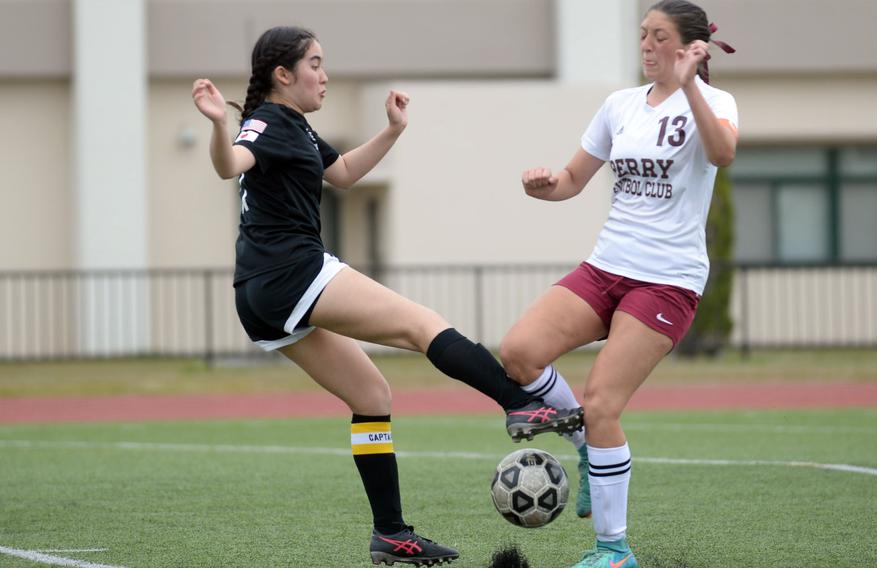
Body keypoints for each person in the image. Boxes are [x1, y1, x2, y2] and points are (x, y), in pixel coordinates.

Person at [191, 26, 583, 566]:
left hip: (259, 292)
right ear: (283, 75)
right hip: (292, 271)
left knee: (372, 397)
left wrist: (392, 131)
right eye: (315, 64)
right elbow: (228, 164)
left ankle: (391, 534)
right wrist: (217, 124)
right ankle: (520, 404)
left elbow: (345, 173)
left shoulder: (296, 127)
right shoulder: (269, 121)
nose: (324, 75)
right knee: (423, 326)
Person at [498, 2, 738, 566]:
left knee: (603, 403)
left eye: (660, 37)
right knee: (519, 352)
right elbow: (572, 180)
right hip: (607, 266)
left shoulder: (716, 103)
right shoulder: (620, 105)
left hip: (667, 280)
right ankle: (585, 447)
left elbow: (723, 153)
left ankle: (614, 551)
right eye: (643, 35)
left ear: (690, 49)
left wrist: (691, 87)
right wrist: (544, 184)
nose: (647, 45)